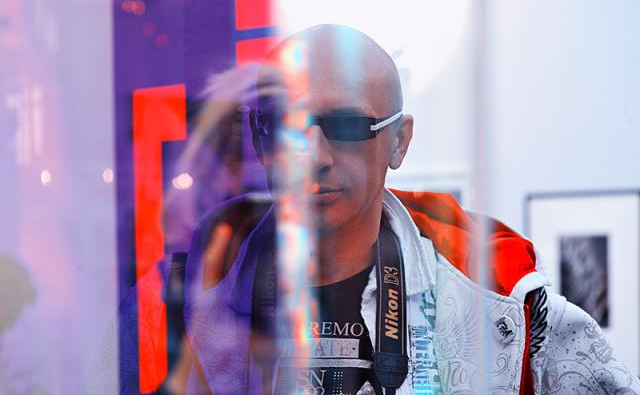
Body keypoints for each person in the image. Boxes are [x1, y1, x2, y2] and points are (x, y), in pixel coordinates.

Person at [180, 24, 640, 395]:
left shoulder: (505, 304)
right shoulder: (178, 299)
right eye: (285, 125)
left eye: (347, 125)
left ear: (399, 142)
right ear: (260, 140)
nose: (312, 156)